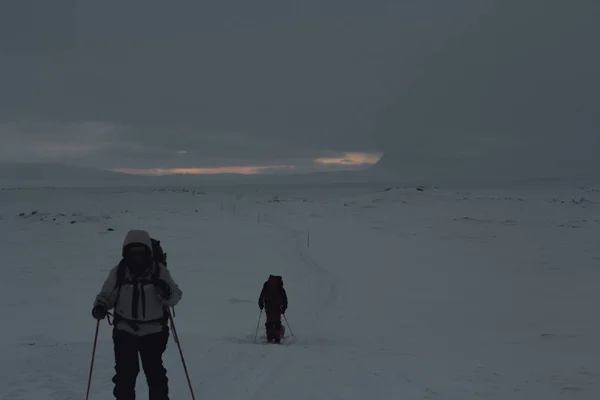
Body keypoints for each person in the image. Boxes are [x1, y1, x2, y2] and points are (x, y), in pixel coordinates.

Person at [91, 229, 182, 400]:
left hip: (154, 332)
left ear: (148, 252)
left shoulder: (159, 271)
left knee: (155, 376)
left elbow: (175, 296)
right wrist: (101, 306)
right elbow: (106, 295)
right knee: (125, 378)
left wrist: (165, 290)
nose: (137, 257)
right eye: (133, 253)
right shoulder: (119, 271)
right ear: (126, 253)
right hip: (125, 331)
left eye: (141, 253)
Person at [258, 274, 288, 343]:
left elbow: (261, 296)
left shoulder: (267, 286)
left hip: (268, 307)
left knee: (269, 321)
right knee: (277, 321)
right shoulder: (280, 287)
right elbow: (285, 299)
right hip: (277, 308)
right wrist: (283, 308)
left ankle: (269, 336)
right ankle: (277, 336)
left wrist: (261, 304)